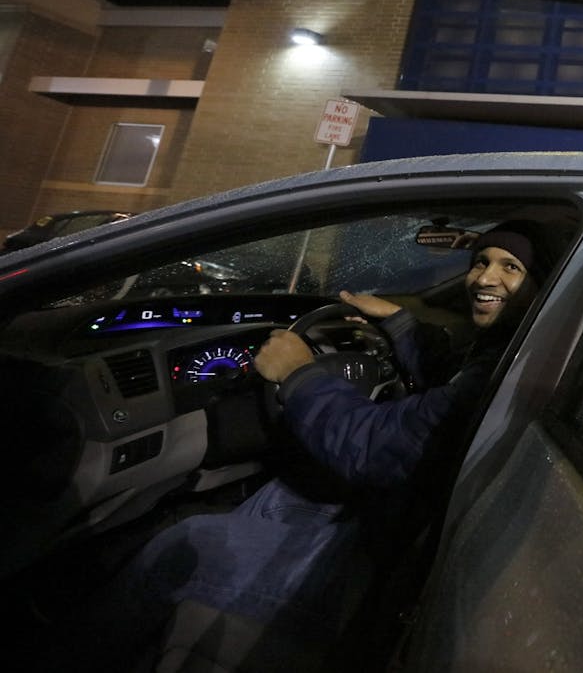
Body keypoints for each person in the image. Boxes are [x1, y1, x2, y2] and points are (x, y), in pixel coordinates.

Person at [55, 220, 552, 670]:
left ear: (542, 287)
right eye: (481, 262)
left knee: (183, 544)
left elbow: (373, 447)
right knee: (282, 495)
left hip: (376, 578)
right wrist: (400, 325)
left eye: (510, 268)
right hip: (396, 526)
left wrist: (297, 373)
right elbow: (442, 393)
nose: (486, 279)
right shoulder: (509, 353)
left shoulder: (503, 369)